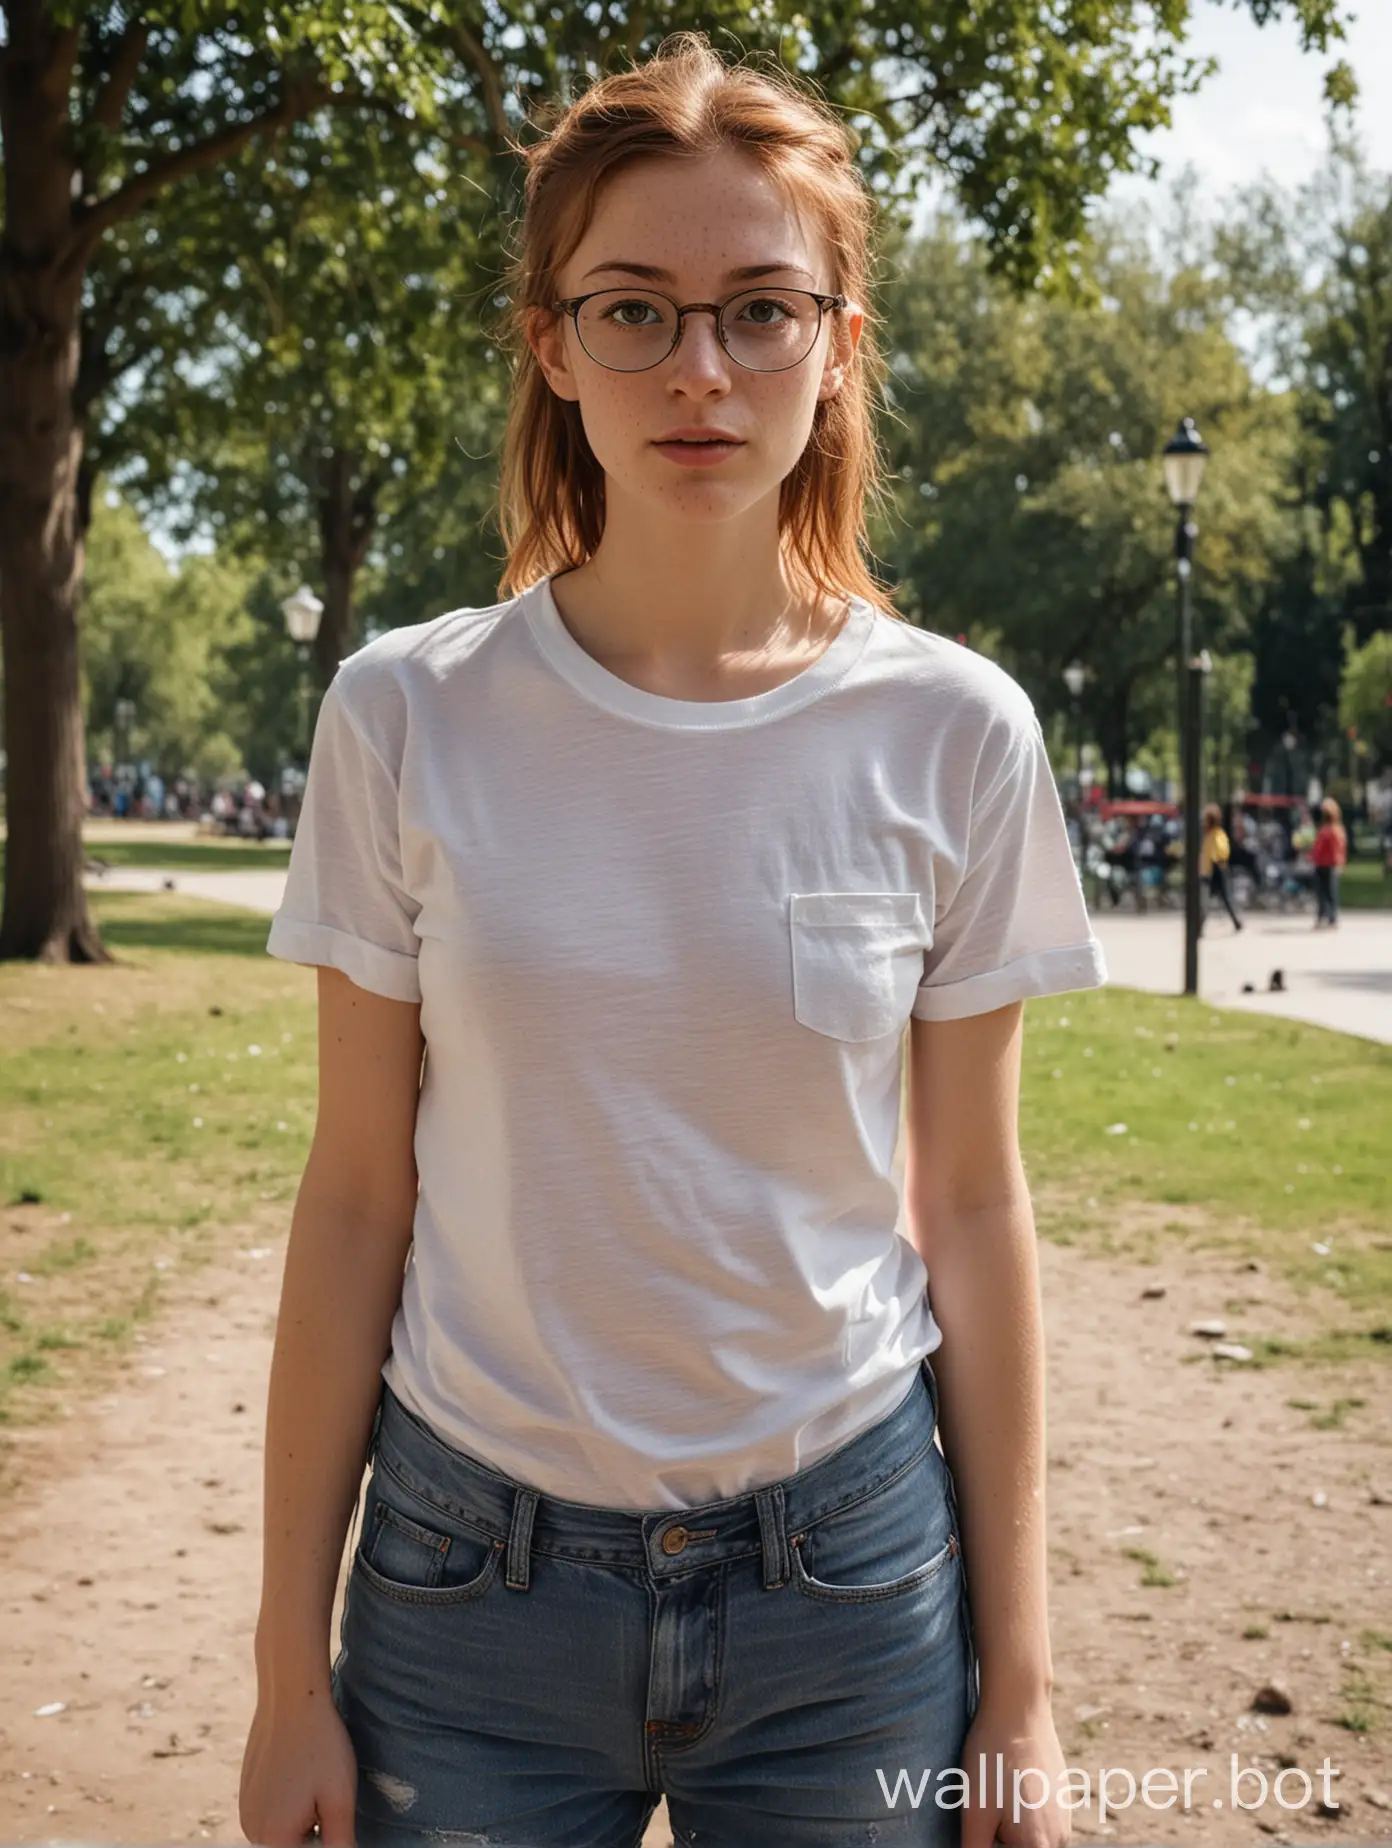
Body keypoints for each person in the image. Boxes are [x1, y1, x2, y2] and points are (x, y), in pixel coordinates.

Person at [242, 36, 1106, 1848]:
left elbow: (971, 1205)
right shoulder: (404, 715)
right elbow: (351, 1197)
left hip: (850, 1587)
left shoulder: (956, 732)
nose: (699, 369)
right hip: (468, 1588)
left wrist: (1020, 1682)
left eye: (758, 310)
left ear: (837, 343)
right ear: (552, 345)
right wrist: (283, 1675)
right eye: (632, 309)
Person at [1198, 802, 1242, 932]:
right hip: (1210, 871)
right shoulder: (1211, 835)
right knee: (1222, 900)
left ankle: (1199, 927)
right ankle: (1236, 922)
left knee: (1214, 901)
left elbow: (1222, 852)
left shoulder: (1216, 835)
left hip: (1216, 871)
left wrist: (1214, 861)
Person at [1312, 795, 1348, 927]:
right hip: (1321, 863)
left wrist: (1339, 863)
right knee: (1321, 892)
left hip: (1330, 864)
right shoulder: (1325, 829)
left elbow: (1338, 850)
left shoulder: (1334, 830)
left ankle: (1332, 917)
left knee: (1330, 892)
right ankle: (1322, 915)